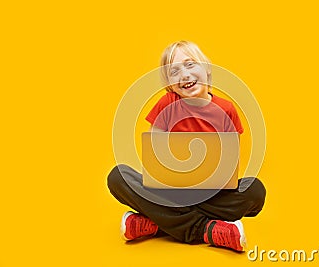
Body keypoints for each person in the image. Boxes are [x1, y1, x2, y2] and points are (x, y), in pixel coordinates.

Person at [107, 41, 266, 252]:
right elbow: (153, 156)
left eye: (190, 65)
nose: (184, 75)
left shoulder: (227, 109)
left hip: (212, 194)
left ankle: (157, 223)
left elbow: (231, 162)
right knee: (118, 176)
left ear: (207, 69)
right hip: (171, 192)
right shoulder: (166, 105)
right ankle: (208, 230)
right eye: (174, 71)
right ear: (169, 83)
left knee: (255, 191)